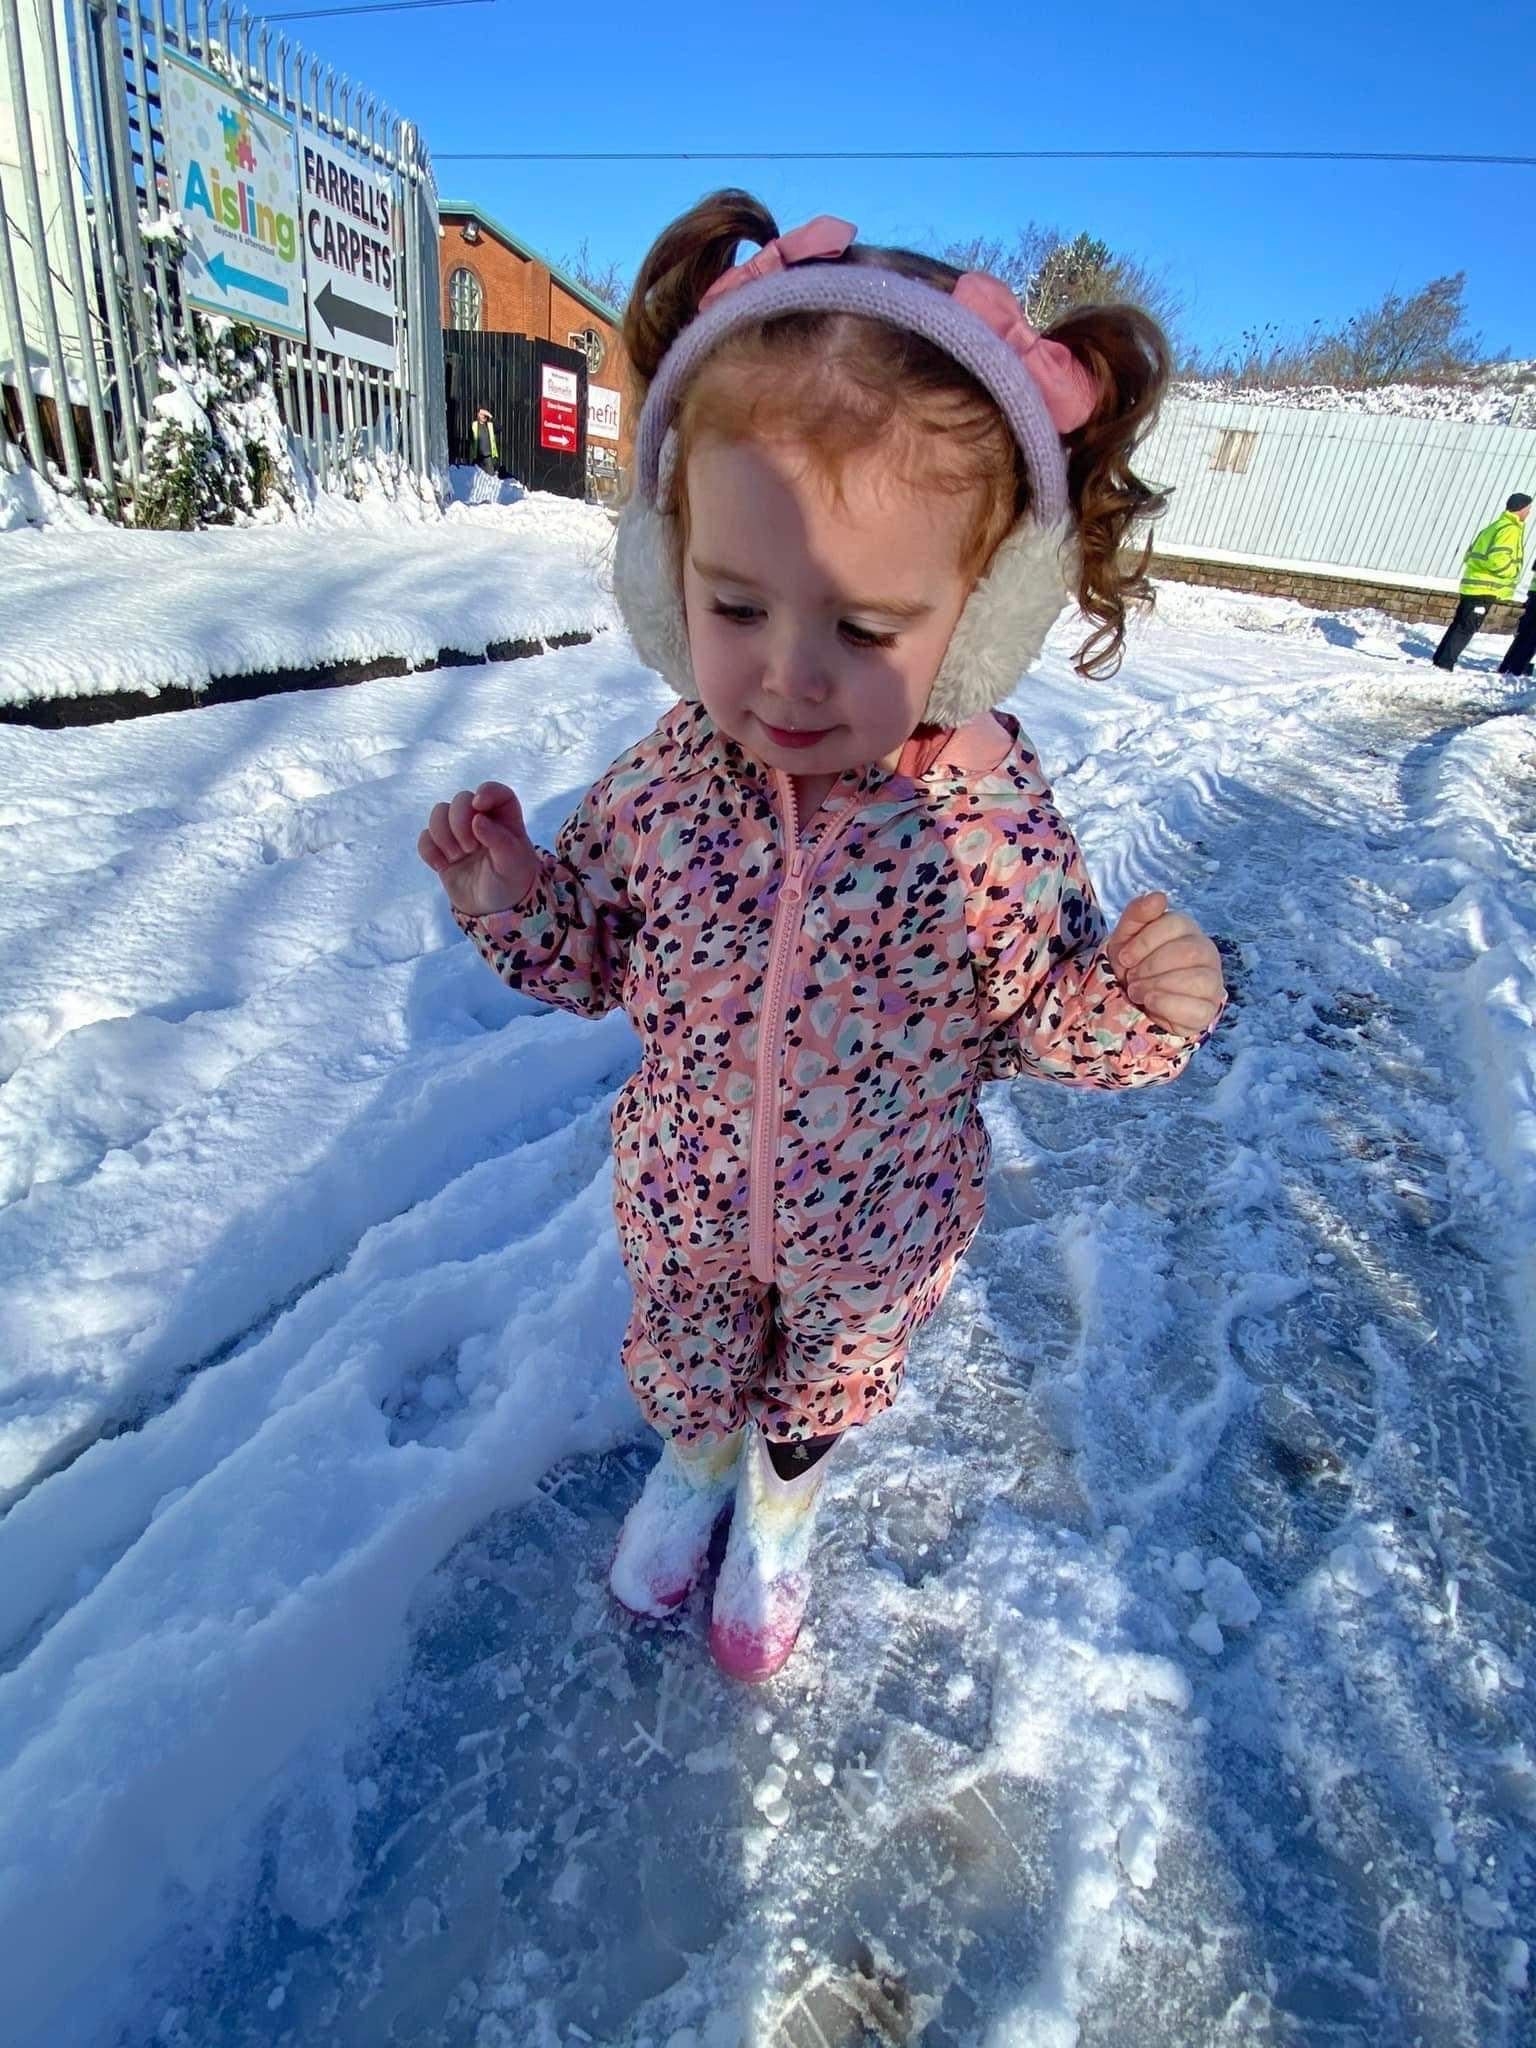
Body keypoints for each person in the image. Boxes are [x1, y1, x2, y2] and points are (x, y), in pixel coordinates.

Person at [417, 194, 1227, 1683]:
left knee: (828, 1377)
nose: (788, 678)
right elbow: (590, 951)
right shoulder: (671, 778)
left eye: (864, 630)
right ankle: (698, 1462)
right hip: (687, 1195)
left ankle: (784, 1496)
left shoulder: (981, 815)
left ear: (980, 619)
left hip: (881, 1226)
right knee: (692, 1357)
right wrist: (514, 897)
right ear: (670, 580)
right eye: (735, 604)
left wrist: (1136, 1007)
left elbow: (1040, 1008)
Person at [1432, 492, 1531, 671]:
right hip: (1484, 588)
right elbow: (1498, 559)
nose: (1530, 512)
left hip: (1473, 585)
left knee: (1460, 624)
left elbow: (1470, 554)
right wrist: (1511, 573)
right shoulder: (1510, 529)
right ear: (1522, 509)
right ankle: (1445, 664)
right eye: (1529, 508)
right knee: (1466, 627)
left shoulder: (1495, 526)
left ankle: (1441, 660)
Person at [1497, 561, 1536, 677]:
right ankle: (1517, 669)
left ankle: (1506, 666)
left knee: (1524, 634)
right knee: (1532, 637)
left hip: (1533, 594)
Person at [471, 405, 498, 475]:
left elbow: (499, 428)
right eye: (481, 414)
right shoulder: (474, 425)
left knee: (490, 477)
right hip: (477, 457)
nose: (483, 416)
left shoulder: (490, 425)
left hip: (488, 457)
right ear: (477, 415)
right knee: (478, 477)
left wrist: (490, 415)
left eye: (485, 414)